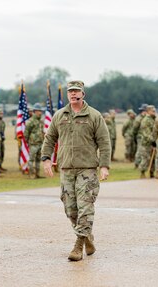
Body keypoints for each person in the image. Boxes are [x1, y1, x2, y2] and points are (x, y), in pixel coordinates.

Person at [41, 80, 111, 261]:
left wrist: (104, 166)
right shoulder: (60, 115)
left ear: (83, 94)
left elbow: (104, 142)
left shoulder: (94, 116)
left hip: (87, 169)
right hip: (66, 169)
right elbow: (49, 139)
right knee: (70, 209)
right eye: (70, 92)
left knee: (85, 207)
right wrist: (46, 159)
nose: (73, 94)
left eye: (76, 91)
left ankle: (78, 245)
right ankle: (87, 236)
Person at [25, 103, 45, 179]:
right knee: (31, 159)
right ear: (35, 111)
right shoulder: (30, 121)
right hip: (33, 143)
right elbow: (26, 133)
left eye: (41, 111)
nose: (40, 112)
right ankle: (31, 174)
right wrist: (28, 141)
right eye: (39, 111)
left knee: (38, 159)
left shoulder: (41, 121)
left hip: (40, 142)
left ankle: (37, 174)